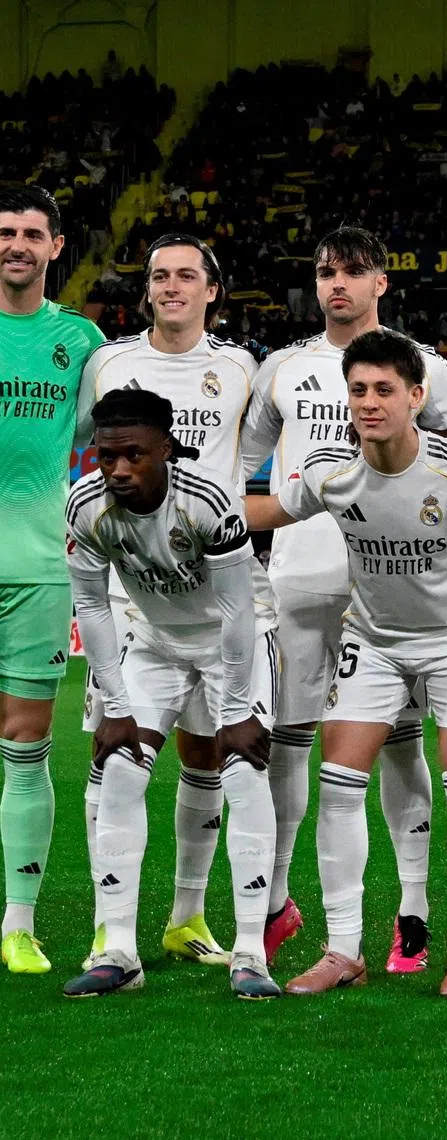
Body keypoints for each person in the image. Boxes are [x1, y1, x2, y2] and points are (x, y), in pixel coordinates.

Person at [246, 329, 447, 997]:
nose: (367, 402)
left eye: (383, 389)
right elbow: (268, 509)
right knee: (337, 781)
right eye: (357, 389)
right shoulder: (333, 470)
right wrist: (177, 507)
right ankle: (342, 950)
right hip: (376, 640)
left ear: (416, 396)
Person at [242, 226, 447, 972]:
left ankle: (411, 917)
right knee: (292, 744)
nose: (337, 283)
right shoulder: (281, 368)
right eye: (325, 272)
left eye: (352, 271)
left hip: (397, 594)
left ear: (381, 279)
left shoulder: (424, 369)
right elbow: (241, 466)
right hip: (300, 577)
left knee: (401, 750)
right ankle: (280, 902)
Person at [79, 232, 263, 970]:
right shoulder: (109, 363)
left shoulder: (240, 367)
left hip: (217, 575)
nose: (171, 286)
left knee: (210, 758)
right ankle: (108, 932)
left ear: (213, 290)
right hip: (136, 594)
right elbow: (88, 453)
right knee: (114, 758)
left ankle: (189, 917)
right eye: (159, 275)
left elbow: (248, 458)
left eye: (187, 275)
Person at [63, 389, 280, 999]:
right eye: (107, 456)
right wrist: (115, 704)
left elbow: (238, 609)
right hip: (154, 639)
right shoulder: (86, 507)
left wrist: (235, 712)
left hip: (232, 637)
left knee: (244, 772)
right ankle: (118, 949)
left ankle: (249, 954)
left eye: (134, 454)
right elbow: (90, 605)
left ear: (167, 450)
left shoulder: (208, 501)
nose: (119, 469)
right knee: (119, 774)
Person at [0, 186, 104, 975]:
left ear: (56, 246)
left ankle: (19, 923)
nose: (17, 245)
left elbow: (98, 444)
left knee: (25, 743)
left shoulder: (82, 340)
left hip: (38, 567)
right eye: (6, 233)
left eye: (32, 234)